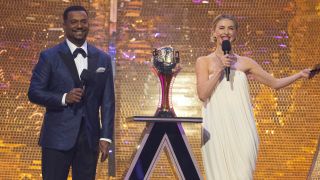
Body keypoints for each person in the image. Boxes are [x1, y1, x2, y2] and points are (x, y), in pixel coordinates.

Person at [196, 14, 310, 180]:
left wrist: (299, 75)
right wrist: (220, 69)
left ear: (235, 34)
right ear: (213, 32)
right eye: (221, 28)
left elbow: (275, 83)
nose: (226, 32)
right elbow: (202, 94)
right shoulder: (204, 61)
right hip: (216, 130)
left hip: (243, 130)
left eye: (230, 28)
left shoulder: (246, 63)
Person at [28, 5, 115, 180]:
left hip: (90, 140)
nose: (79, 26)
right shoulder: (49, 56)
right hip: (57, 138)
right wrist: (63, 98)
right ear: (65, 25)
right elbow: (34, 92)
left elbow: (108, 102)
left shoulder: (102, 59)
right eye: (74, 22)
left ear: (88, 24)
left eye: (83, 21)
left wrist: (105, 137)